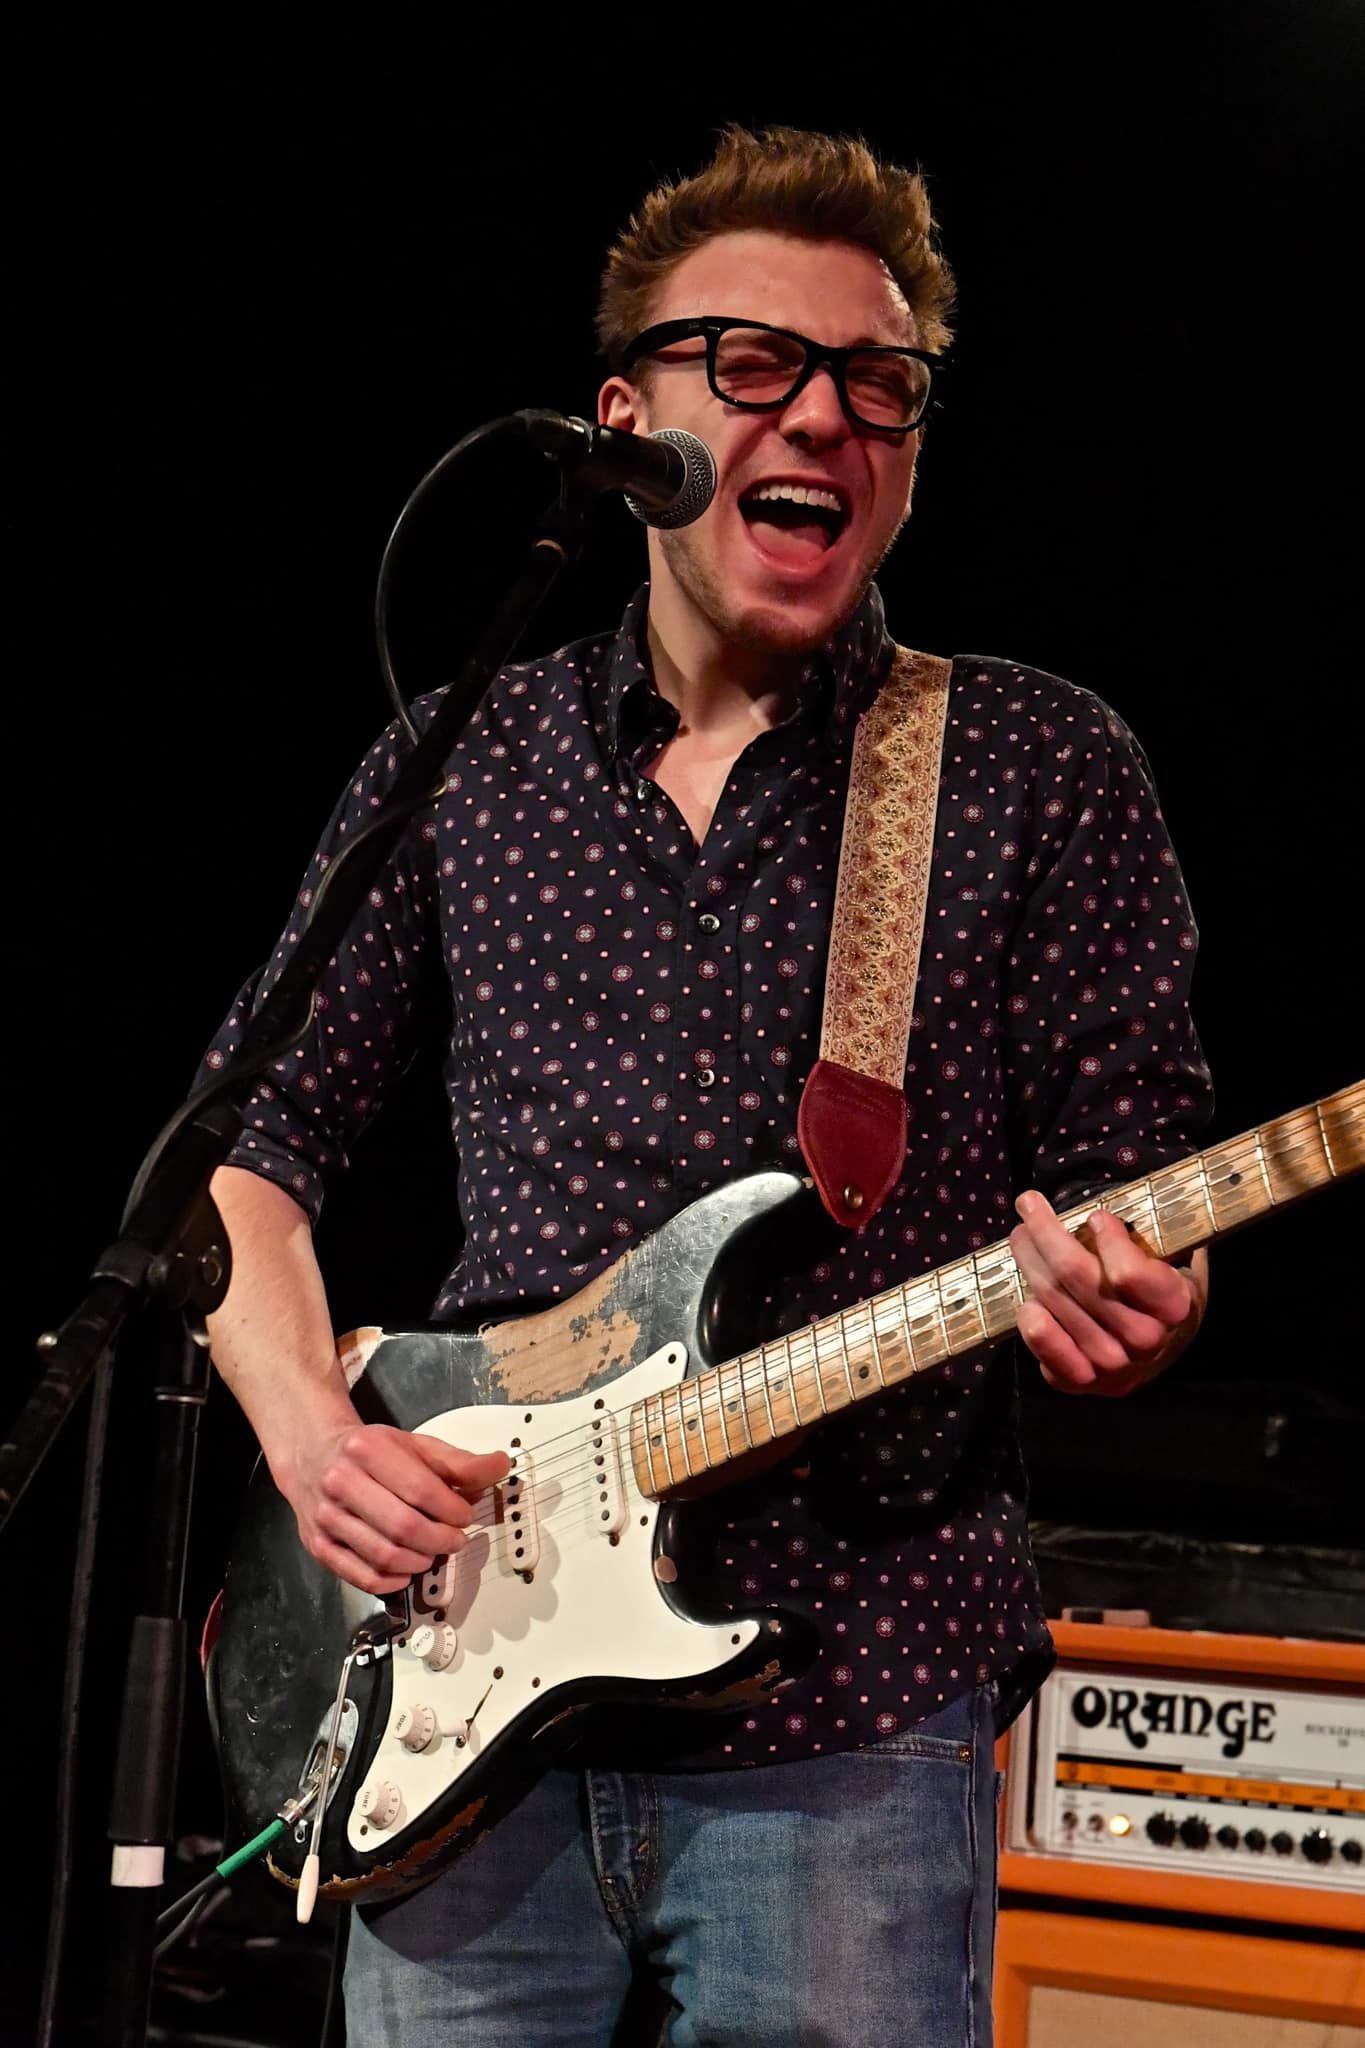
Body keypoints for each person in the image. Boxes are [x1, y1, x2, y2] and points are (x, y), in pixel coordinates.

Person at [203, 124, 1212, 2047]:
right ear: (625, 421)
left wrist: (1137, 1308)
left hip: (849, 1717)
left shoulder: (1028, 763)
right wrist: (315, 1443)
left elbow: (1127, 1195)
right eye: (754, 366)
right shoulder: (465, 756)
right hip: (464, 1702)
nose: (822, 417)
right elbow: (249, 1157)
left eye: (876, 386)